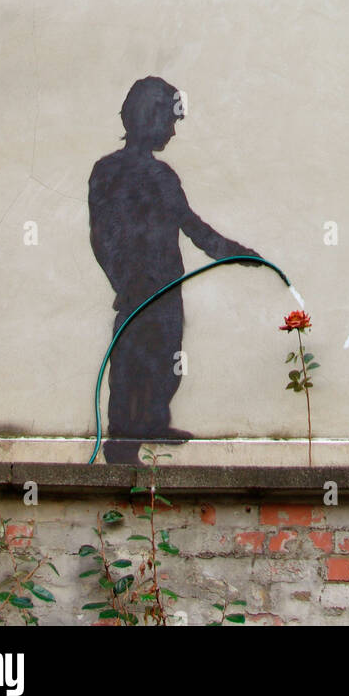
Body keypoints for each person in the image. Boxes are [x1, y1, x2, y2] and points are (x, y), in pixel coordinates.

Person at [89, 76, 259, 464]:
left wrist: (236, 252)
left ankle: (154, 421)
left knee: (166, 363)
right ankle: (121, 446)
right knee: (130, 366)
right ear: (148, 118)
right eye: (169, 119)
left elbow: (192, 227)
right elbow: (102, 235)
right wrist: (123, 278)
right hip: (139, 291)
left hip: (165, 289)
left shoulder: (160, 176)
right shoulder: (115, 173)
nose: (173, 129)